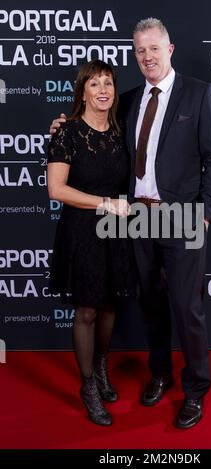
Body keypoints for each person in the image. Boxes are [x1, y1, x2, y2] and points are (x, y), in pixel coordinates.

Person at [50, 17, 211, 430]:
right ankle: (161, 373)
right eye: (139, 51)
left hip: (182, 216)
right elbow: (90, 125)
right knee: (150, 305)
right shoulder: (126, 100)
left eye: (153, 49)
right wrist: (62, 125)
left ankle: (196, 389)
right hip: (136, 217)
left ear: (170, 50)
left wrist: (205, 212)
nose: (147, 57)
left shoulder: (200, 94)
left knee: (188, 308)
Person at [47, 59, 135, 426]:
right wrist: (105, 204)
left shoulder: (120, 130)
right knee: (86, 310)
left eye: (108, 83)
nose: (103, 90)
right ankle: (87, 387)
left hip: (114, 232)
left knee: (110, 305)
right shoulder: (66, 132)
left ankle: (101, 369)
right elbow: (56, 190)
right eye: (94, 84)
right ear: (82, 91)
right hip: (83, 230)